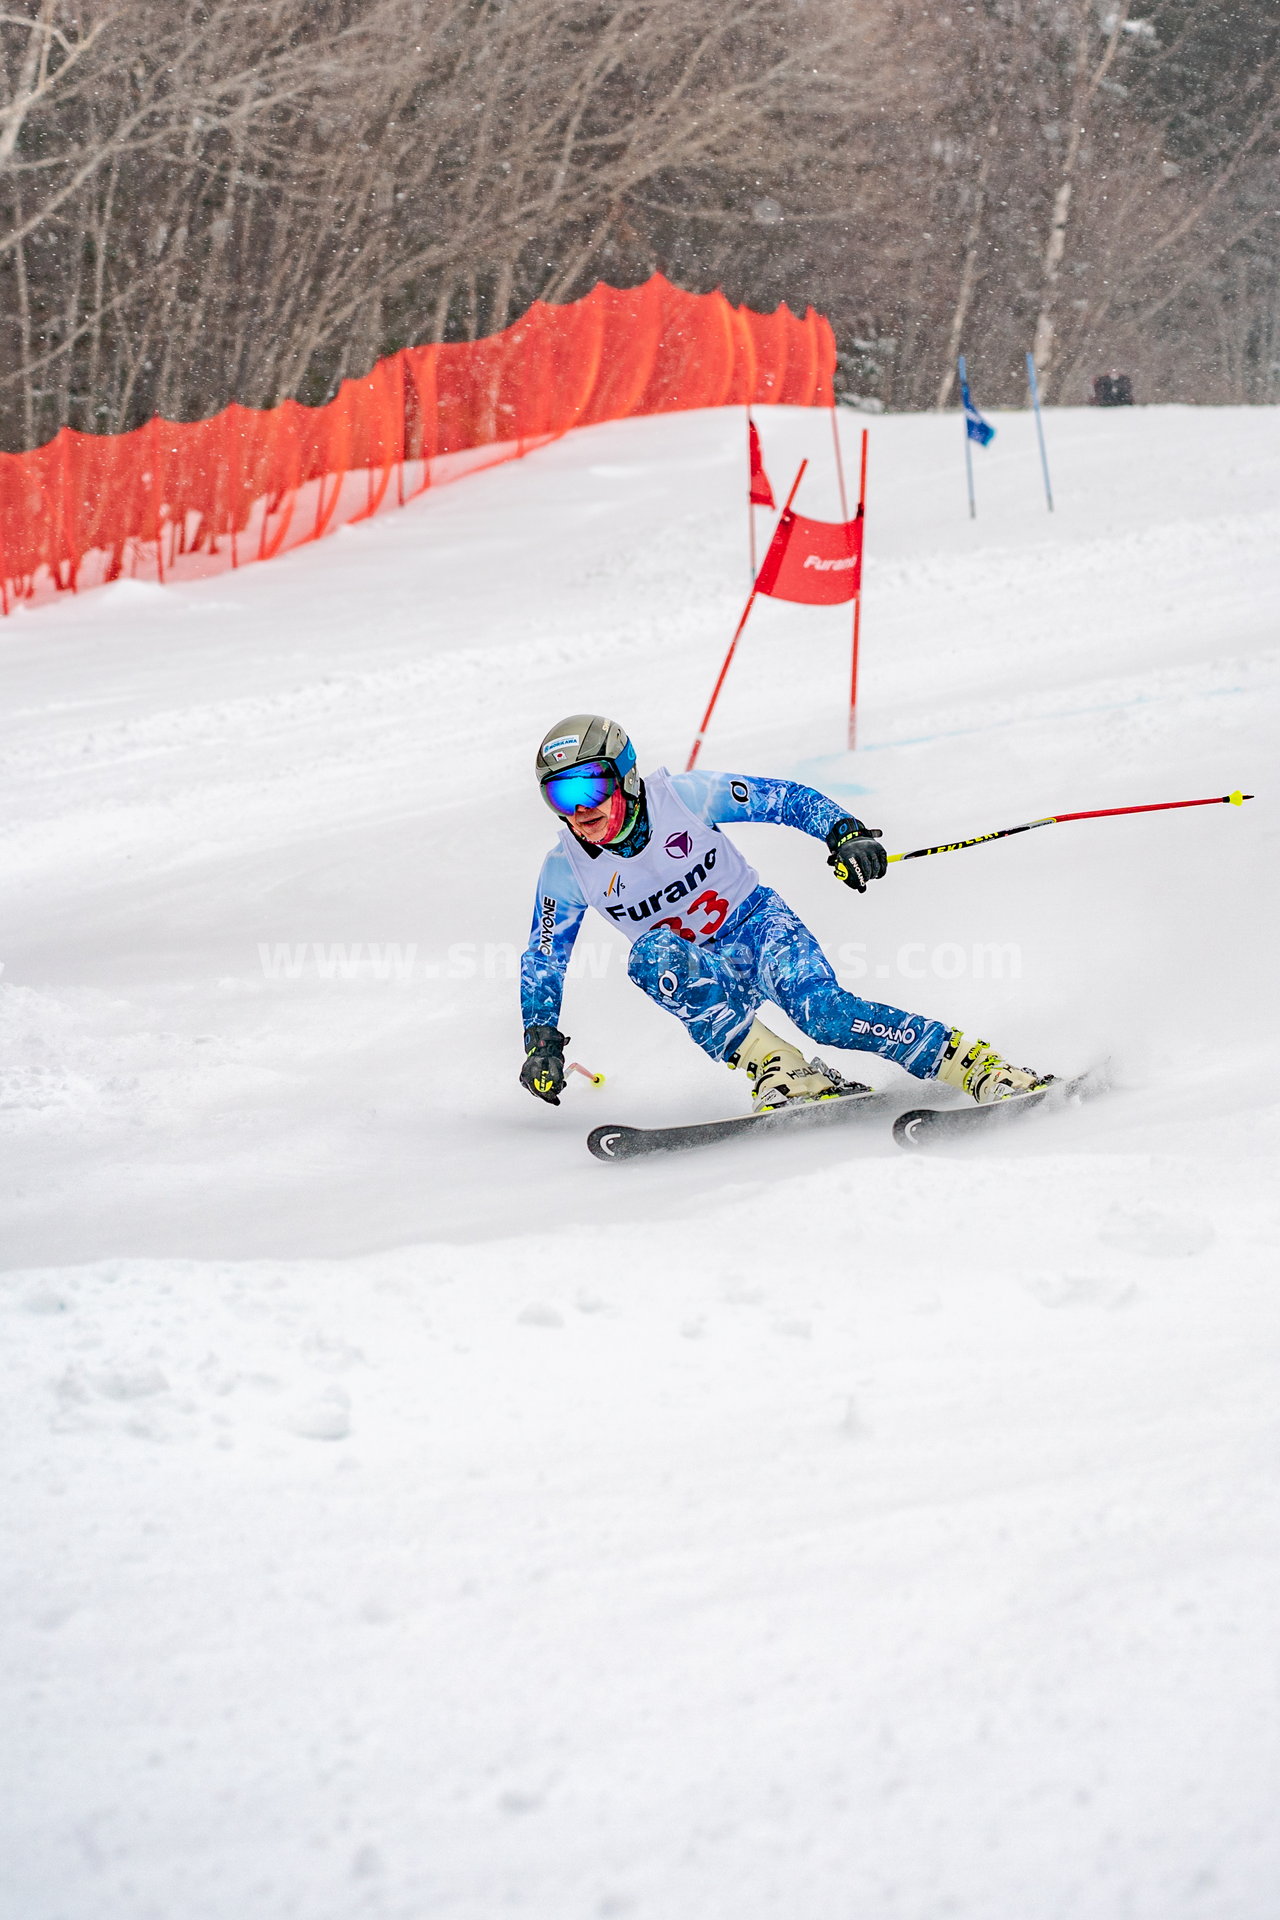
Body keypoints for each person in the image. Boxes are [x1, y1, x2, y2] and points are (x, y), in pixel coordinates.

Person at [519, 713, 1053, 1111]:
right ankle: (781, 1069)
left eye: (589, 786)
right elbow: (544, 957)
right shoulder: (565, 869)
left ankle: (976, 1064)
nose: (580, 810)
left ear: (627, 776)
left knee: (824, 1015)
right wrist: (540, 1038)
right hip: (703, 972)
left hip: (759, 929)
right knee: (649, 957)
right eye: (560, 798)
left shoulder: (684, 797)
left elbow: (784, 798)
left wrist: (843, 833)